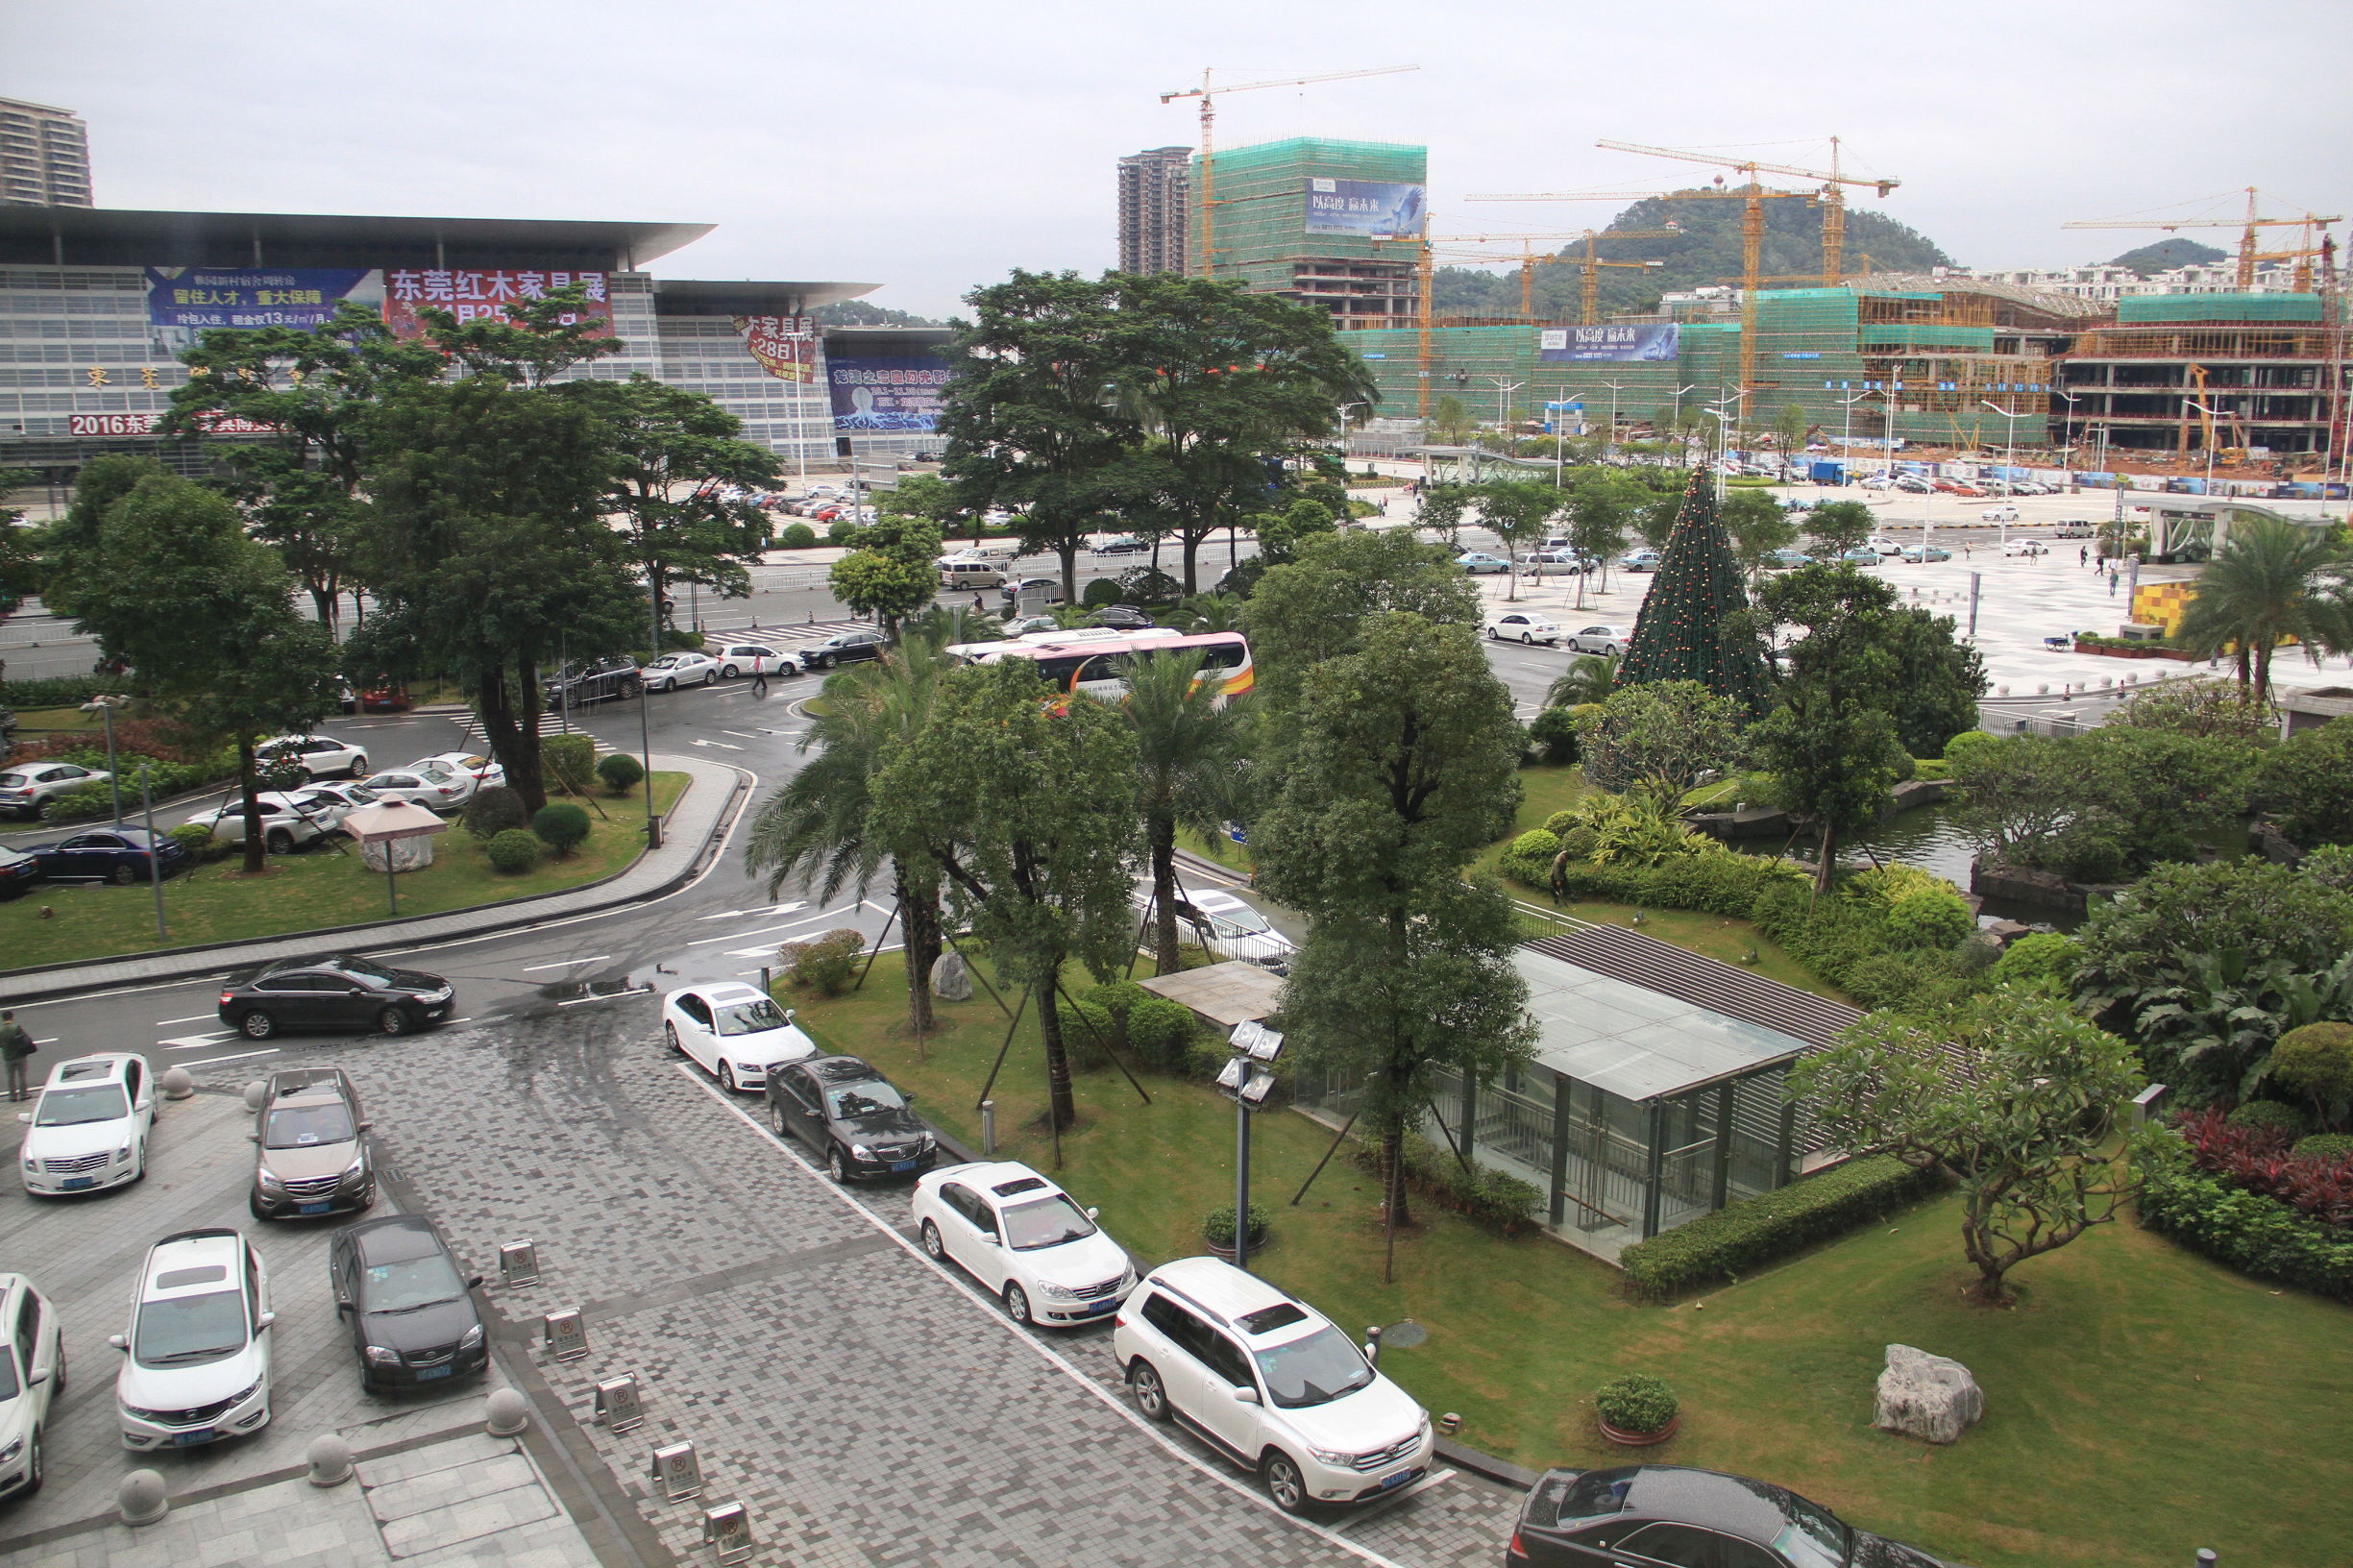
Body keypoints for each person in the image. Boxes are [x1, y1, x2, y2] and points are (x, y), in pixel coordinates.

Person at [1, 1011, 34, 1103]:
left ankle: (12, 1096)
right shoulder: (16, 1028)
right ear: (12, 1018)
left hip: (8, 1057)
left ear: (3, 1019)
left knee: (10, 1078)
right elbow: (25, 1039)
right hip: (20, 1056)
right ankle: (23, 1094)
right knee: (22, 1076)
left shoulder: (1, 1031)